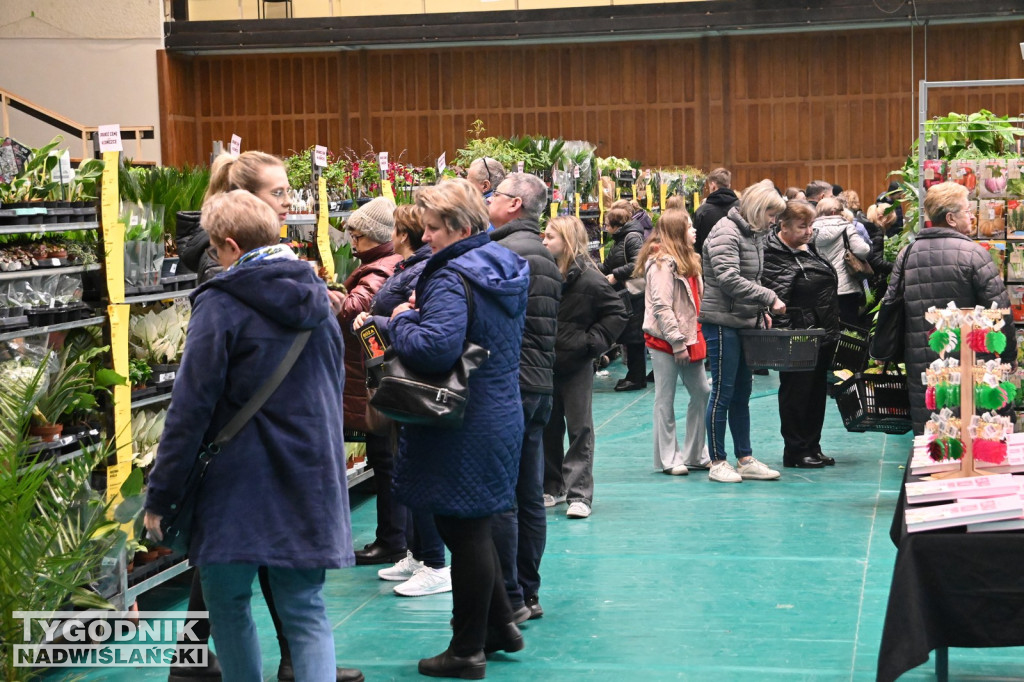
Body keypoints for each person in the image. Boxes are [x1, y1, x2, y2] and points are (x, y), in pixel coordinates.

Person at [143, 190, 360, 682]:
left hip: (235, 486)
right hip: (309, 478)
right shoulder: (320, 303)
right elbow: (332, 391)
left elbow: (189, 409)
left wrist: (161, 494)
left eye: (216, 251)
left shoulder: (221, 306)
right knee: (305, 611)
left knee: (228, 606)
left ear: (230, 245)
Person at [378, 178, 530, 679]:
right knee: (474, 526)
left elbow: (435, 349)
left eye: (432, 229)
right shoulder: (503, 265)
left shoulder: (450, 278)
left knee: (462, 532)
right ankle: (501, 626)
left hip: (461, 423)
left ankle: (465, 650)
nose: (425, 239)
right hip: (499, 411)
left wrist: (401, 319)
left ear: (460, 227)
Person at [355, 205, 452, 598]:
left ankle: (434, 562)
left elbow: (424, 330)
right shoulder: (413, 268)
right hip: (399, 376)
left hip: (412, 381)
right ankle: (418, 552)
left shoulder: (427, 272)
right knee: (404, 469)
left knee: (414, 471)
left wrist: (381, 321)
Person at [881, 181, 1015, 434]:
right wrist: (1007, 355)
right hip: (973, 360)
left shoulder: (907, 254)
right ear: (951, 218)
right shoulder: (974, 254)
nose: (972, 215)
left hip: (923, 362)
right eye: (967, 210)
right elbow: (999, 309)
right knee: (976, 429)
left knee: (934, 430)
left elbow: (890, 304)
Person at [488, 171, 562, 619]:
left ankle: (510, 594)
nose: (488, 201)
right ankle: (528, 593)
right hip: (539, 385)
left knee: (505, 498)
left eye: (494, 195)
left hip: (511, 385)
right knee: (530, 494)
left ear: (514, 204)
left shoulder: (505, 254)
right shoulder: (543, 255)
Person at [334, 197, 406, 567]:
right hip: (375, 373)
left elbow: (355, 309)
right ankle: (397, 538)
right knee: (389, 460)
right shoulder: (387, 264)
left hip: (372, 377)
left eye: (358, 236)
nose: (352, 243)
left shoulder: (377, 271)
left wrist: (330, 298)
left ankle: (392, 540)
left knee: (386, 460)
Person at [699, 179, 787, 484]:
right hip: (722, 322)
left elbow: (753, 277)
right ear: (758, 209)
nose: (774, 221)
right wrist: (769, 298)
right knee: (723, 392)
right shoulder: (726, 232)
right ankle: (717, 461)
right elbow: (728, 278)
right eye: (772, 214)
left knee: (742, 394)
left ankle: (745, 458)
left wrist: (761, 311)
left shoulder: (752, 234)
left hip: (743, 321)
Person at [541, 216, 627, 518]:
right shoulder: (544, 275)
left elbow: (617, 313)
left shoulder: (590, 279)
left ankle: (580, 494)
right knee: (547, 426)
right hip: (545, 363)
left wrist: (591, 344)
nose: (544, 241)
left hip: (576, 364)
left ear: (566, 240)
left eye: (550, 236)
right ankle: (551, 486)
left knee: (579, 428)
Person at [762, 200, 840, 468]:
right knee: (797, 394)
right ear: (783, 226)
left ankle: (812, 445)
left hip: (820, 332)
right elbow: (776, 295)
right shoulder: (773, 253)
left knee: (816, 393)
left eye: (810, 225)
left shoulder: (810, 249)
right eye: (802, 226)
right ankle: (795, 450)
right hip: (797, 335)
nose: (809, 231)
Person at [636, 209, 711, 475]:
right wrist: (677, 343)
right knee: (664, 398)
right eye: (689, 227)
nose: (694, 231)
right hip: (665, 340)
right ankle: (669, 459)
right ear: (678, 232)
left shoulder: (692, 259)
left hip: (692, 336)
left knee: (701, 391)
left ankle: (695, 452)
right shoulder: (660, 264)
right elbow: (661, 306)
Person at [176, 150, 293, 286]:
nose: (288, 201)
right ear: (244, 197)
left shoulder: (253, 244)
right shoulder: (221, 258)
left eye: (288, 190)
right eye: (277, 193)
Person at [601, 200, 648, 392]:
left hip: (634, 295)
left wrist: (616, 275)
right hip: (627, 295)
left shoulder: (632, 238)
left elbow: (639, 264)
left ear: (615, 225)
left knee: (635, 338)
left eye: (606, 224)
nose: (604, 228)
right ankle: (634, 376)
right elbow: (611, 263)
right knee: (631, 337)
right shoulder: (622, 239)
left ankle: (637, 378)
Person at [811, 197, 871, 326]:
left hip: (819, 288)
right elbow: (863, 250)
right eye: (841, 210)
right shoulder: (846, 228)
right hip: (846, 288)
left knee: (825, 326)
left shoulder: (810, 230)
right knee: (848, 328)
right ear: (834, 212)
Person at [693, 167, 739, 257]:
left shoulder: (702, 212)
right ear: (729, 185)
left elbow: (696, 245)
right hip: (737, 262)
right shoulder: (742, 208)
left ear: (713, 186)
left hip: (709, 263)